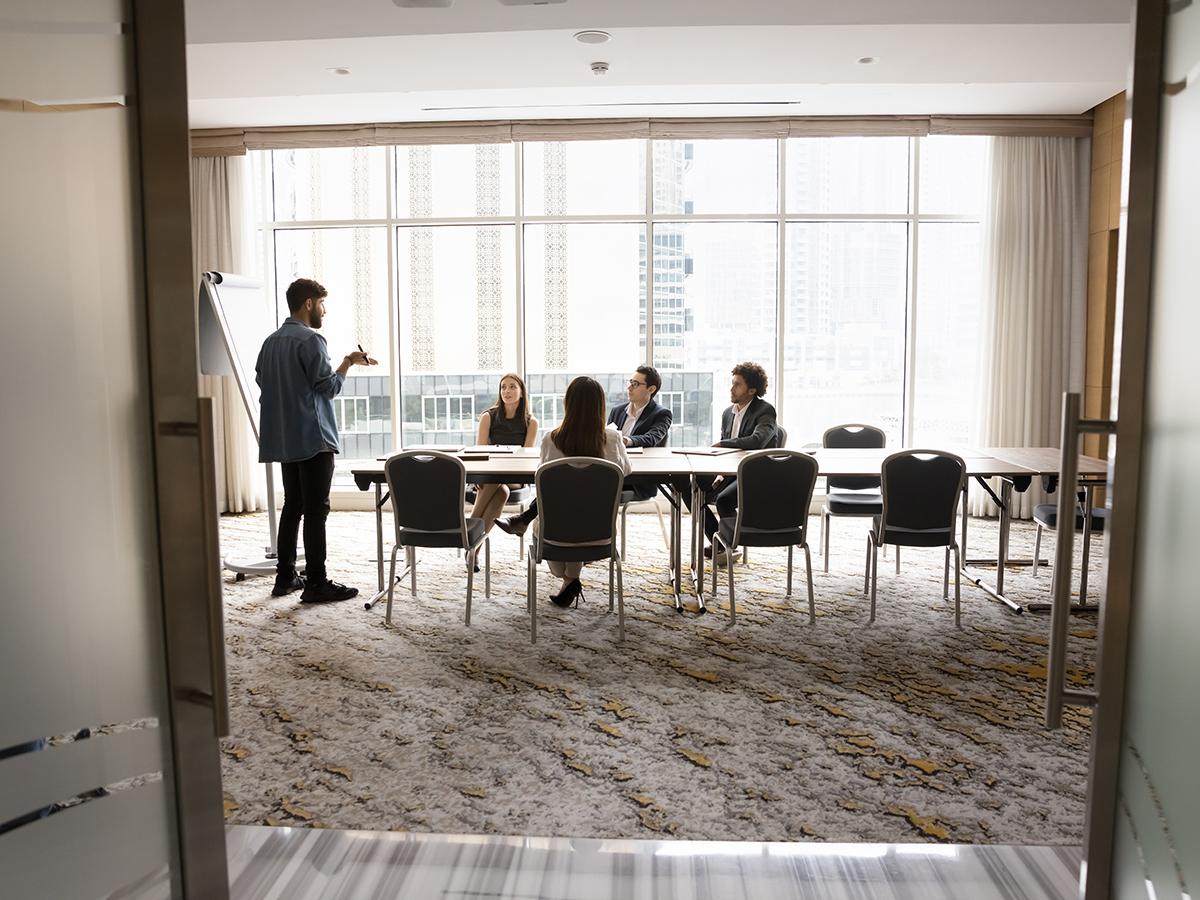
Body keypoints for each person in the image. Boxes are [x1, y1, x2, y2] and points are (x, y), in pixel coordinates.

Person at [256, 277, 376, 603]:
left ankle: (285, 577)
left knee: (292, 506)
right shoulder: (311, 340)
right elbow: (328, 387)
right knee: (316, 510)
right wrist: (348, 363)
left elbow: (262, 381)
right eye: (322, 303)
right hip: (313, 438)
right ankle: (316, 583)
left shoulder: (269, 342)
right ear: (308, 303)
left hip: (285, 439)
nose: (324, 310)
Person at [496, 367, 669, 537]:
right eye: (629, 382)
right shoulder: (618, 412)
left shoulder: (661, 414)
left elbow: (652, 438)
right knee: (573, 478)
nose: (629, 387)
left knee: (564, 481)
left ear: (651, 389)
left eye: (635, 383)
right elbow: (604, 443)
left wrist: (624, 440)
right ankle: (583, 536)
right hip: (607, 474)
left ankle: (527, 520)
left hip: (632, 479)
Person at [533, 376, 631, 609]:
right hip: (599, 531)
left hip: (554, 534)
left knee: (559, 564)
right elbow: (624, 471)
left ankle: (569, 580)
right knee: (580, 517)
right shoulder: (614, 438)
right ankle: (571, 579)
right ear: (601, 406)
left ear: (568, 404)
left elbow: (542, 480)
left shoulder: (550, 439)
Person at [673, 361, 779, 567]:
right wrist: (719, 472)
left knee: (724, 500)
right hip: (729, 472)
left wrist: (723, 443)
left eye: (737, 385)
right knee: (688, 487)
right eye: (732, 383)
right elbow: (727, 453)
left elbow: (758, 441)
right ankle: (720, 542)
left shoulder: (765, 411)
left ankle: (727, 545)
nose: (732, 388)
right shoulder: (727, 413)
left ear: (752, 390)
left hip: (754, 475)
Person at [470, 373, 538, 535]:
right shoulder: (488, 417)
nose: (506, 391)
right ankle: (474, 550)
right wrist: (481, 476)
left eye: (512, 387)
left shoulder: (531, 422)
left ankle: (467, 530)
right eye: (503, 387)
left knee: (496, 481)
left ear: (522, 392)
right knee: (502, 491)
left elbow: (525, 459)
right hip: (491, 473)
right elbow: (480, 452)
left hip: (516, 476)